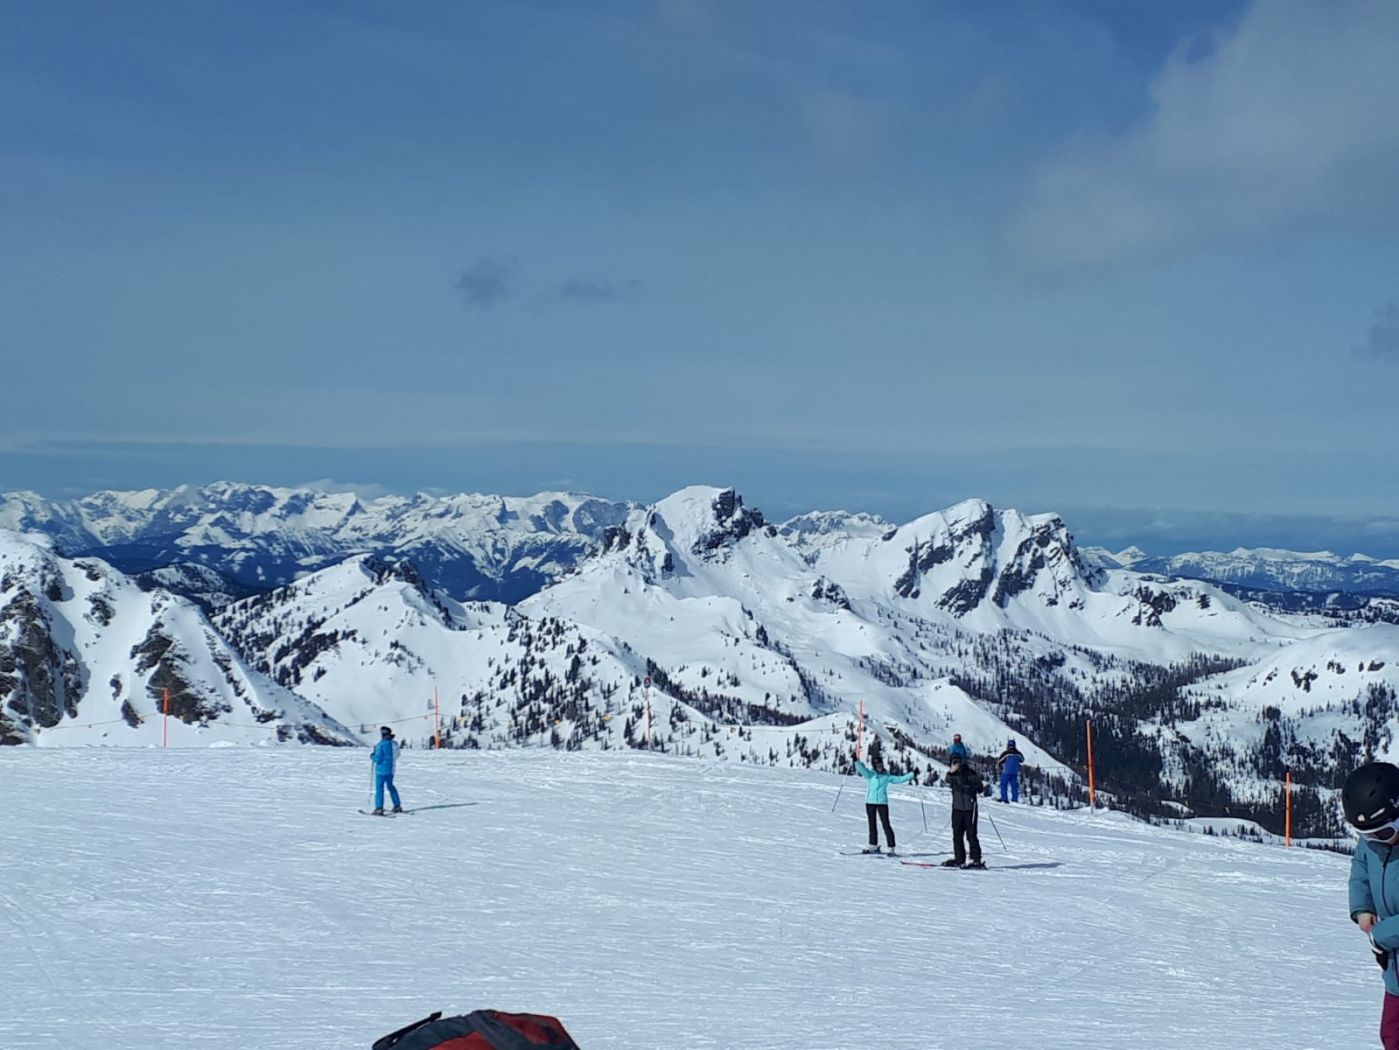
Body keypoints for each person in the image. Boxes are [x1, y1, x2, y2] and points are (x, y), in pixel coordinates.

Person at [1345, 761, 1399, 1048]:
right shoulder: (1373, 841)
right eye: (1365, 835)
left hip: (1390, 947)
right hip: (1395, 974)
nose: (1376, 841)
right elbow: (1362, 866)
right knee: (1392, 1035)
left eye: (1384, 833)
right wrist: (1362, 907)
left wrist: (1382, 935)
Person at [854, 752, 914, 855]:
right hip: (870, 803)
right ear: (874, 766)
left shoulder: (886, 776)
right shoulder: (870, 775)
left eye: (881, 765)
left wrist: (912, 774)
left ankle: (891, 848)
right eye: (877, 765)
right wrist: (856, 761)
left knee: (886, 825)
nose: (880, 767)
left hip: (882, 803)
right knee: (872, 825)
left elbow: (899, 779)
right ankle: (873, 846)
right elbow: (861, 769)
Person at [943, 756, 986, 868]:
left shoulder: (971, 774)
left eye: (957, 762)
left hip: (970, 809)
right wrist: (951, 772)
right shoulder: (952, 775)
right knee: (957, 834)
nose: (955, 764)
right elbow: (947, 780)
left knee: (971, 835)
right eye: (953, 762)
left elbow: (980, 788)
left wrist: (972, 785)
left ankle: (975, 859)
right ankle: (959, 858)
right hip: (957, 809)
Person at [371, 726, 403, 815]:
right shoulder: (394, 744)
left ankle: (379, 808)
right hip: (391, 769)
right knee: (390, 786)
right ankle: (397, 806)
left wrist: (372, 756)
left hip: (380, 770)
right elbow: (397, 755)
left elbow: (377, 758)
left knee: (379, 788)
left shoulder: (380, 745)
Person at [996, 738, 1024, 803]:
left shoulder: (1006, 753)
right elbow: (1022, 760)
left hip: (1006, 771)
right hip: (1014, 772)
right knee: (1014, 785)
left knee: (1003, 784)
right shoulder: (1018, 753)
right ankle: (1015, 799)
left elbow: (1000, 760)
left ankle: (1004, 798)